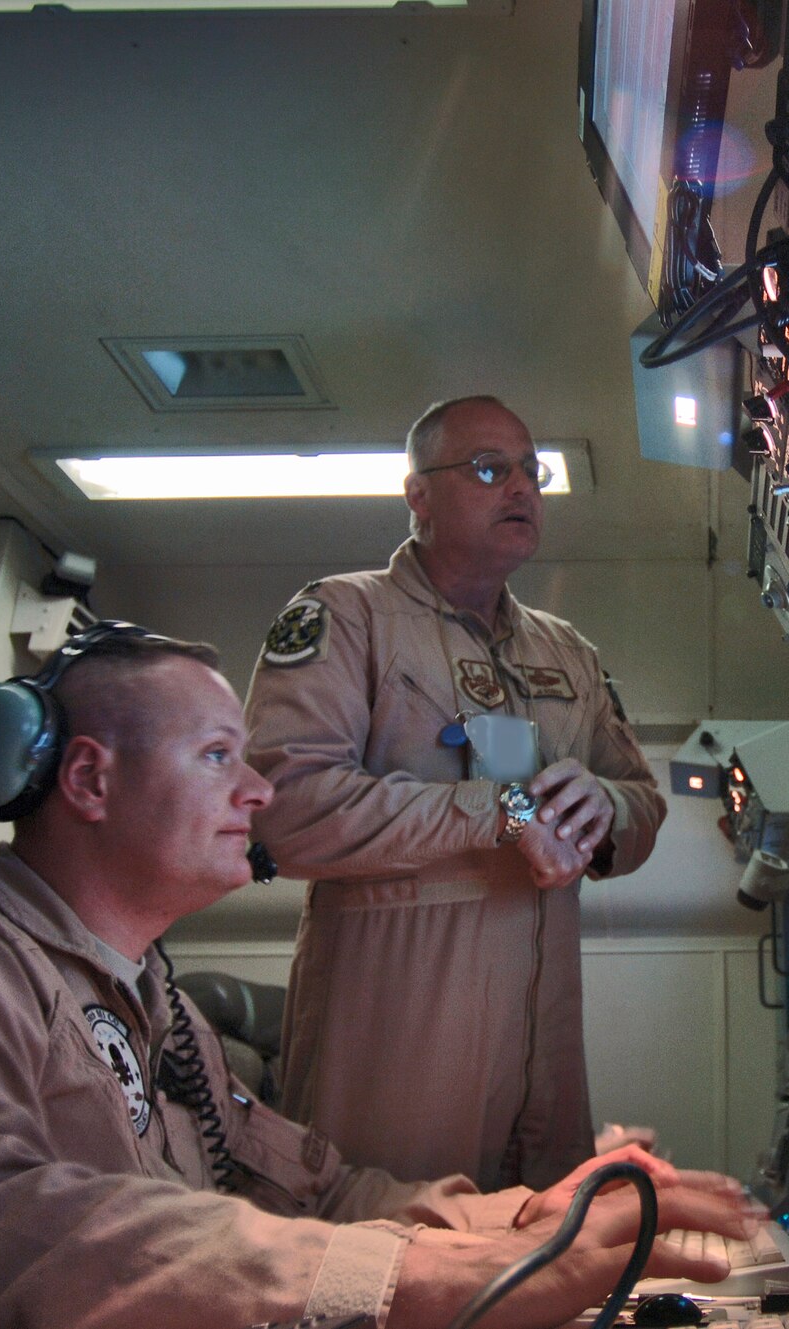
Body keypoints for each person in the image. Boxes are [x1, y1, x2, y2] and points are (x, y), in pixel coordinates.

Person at [0, 632, 748, 1329]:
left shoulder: (149, 1002)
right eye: (220, 755)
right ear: (91, 782)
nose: (260, 790)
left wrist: (530, 1219)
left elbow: (318, 1187)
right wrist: (450, 1276)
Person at [243, 395, 667, 1192]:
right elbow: (281, 811)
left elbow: (642, 800)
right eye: (487, 468)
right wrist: (497, 811)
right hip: (394, 1057)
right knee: (388, 1277)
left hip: (546, 1060)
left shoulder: (567, 652)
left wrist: (607, 807)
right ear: (418, 496)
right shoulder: (348, 615)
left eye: (530, 471)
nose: (520, 487)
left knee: (544, 1274)